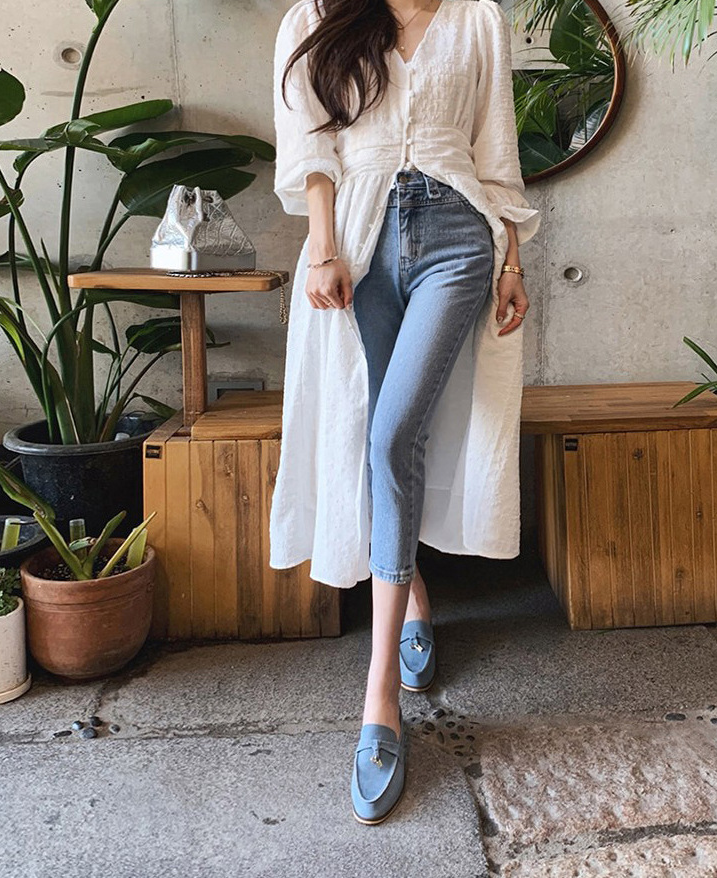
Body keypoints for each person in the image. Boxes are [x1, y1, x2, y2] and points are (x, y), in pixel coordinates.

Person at [270, 0, 541, 824]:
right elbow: (312, 145)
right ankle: (414, 592)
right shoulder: (318, 16)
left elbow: (496, 153)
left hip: (458, 238)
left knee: (393, 435)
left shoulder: (478, 17)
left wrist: (512, 261)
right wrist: (323, 247)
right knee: (372, 432)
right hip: (355, 239)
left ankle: (379, 694)